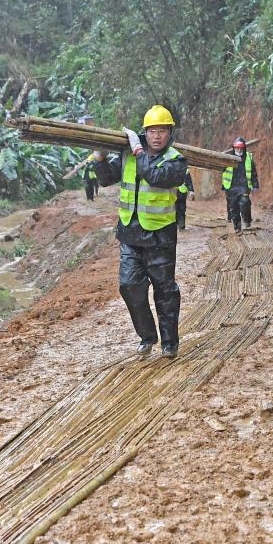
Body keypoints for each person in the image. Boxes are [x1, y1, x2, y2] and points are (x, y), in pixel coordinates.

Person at [93, 104, 187, 358]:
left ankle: (170, 343)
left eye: (162, 131)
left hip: (160, 237)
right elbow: (105, 179)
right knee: (129, 286)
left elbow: (153, 176)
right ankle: (147, 336)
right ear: (145, 132)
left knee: (165, 291)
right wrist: (100, 158)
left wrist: (136, 148)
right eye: (152, 130)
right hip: (130, 235)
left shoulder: (176, 161)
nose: (157, 136)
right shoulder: (126, 154)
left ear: (170, 133)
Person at [221, 136, 260, 233]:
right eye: (237, 147)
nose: (238, 149)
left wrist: (255, 185)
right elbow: (221, 169)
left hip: (244, 186)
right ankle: (237, 228)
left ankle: (247, 221)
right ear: (233, 148)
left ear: (243, 148)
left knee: (245, 203)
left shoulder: (248, 158)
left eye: (240, 148)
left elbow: (253, 172)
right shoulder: (227, 157)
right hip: (231, 186)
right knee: (233, 207)